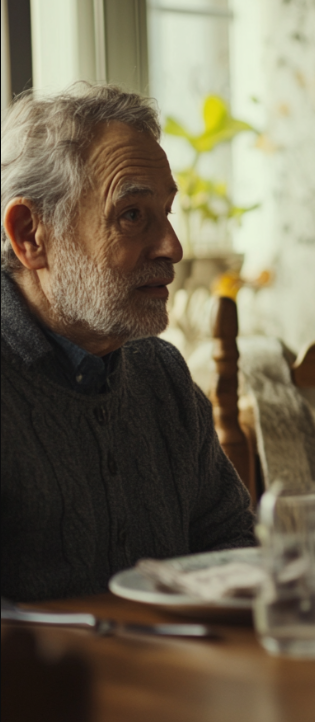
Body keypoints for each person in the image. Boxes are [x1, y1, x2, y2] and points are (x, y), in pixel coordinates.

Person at [1, 84, 256, 601]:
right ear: (31, 234)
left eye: (167, 212)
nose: (173, 247)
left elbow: (235, 550)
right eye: (133, 215)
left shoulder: (161, 373)